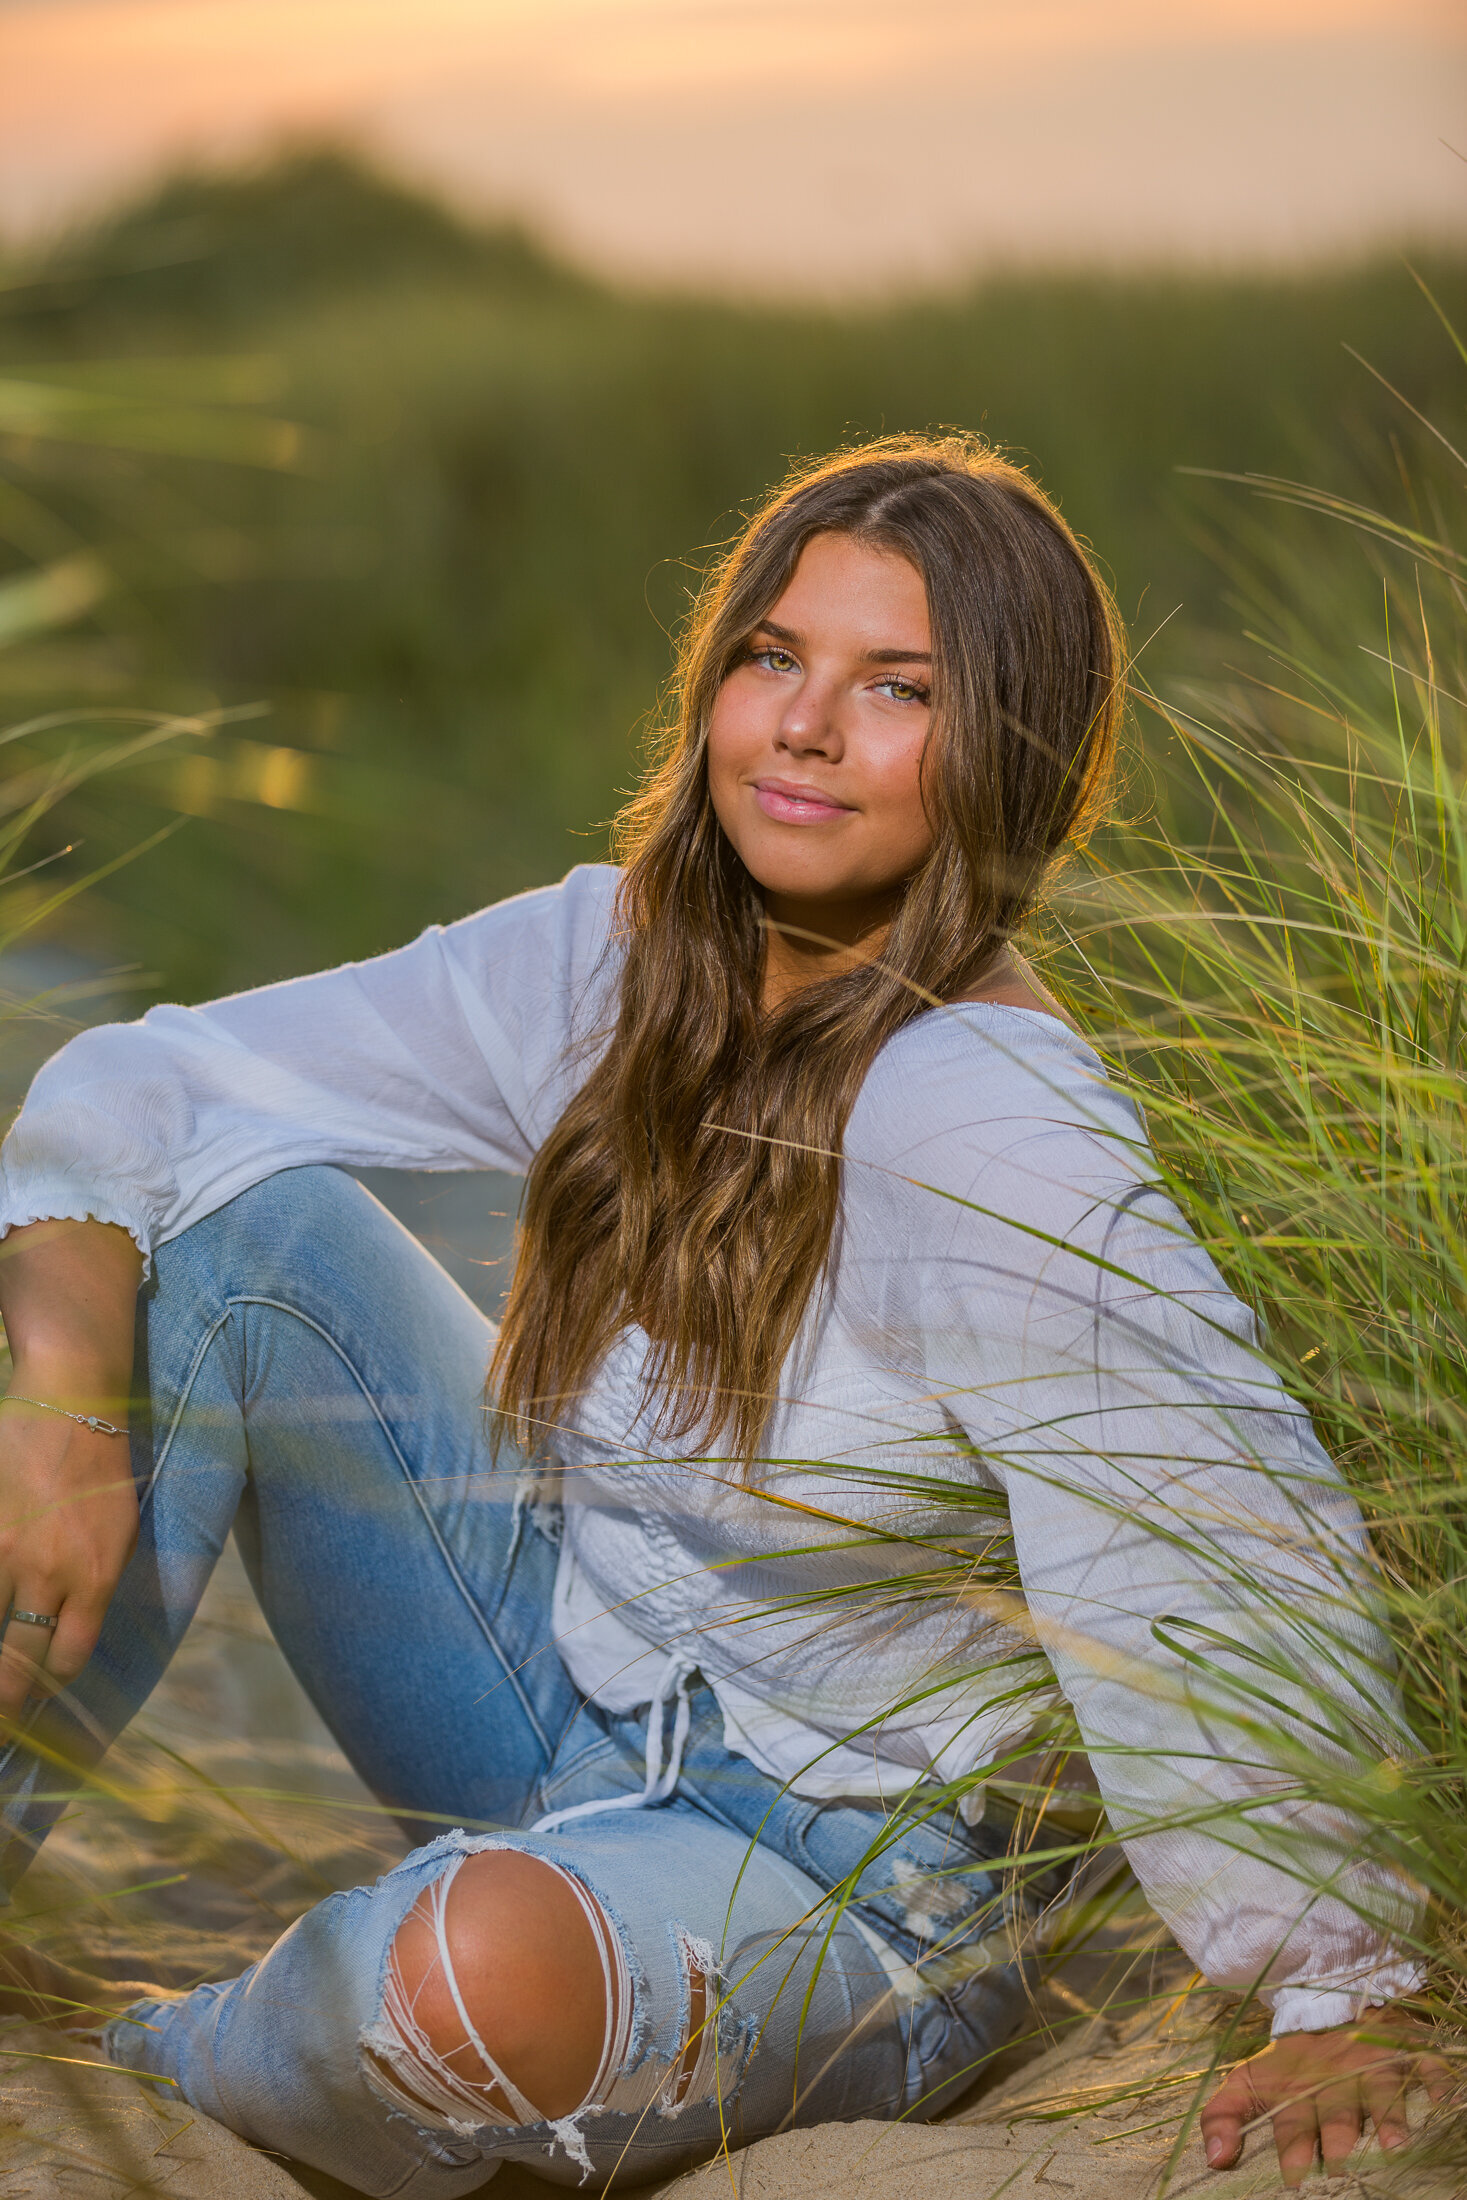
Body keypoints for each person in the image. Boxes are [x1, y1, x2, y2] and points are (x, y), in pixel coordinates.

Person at [0, 438, 1437, 2194]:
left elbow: (1195, 1506)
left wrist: (1338, 1979)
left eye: (896, 689)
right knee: (231, 1243)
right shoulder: (615, 960)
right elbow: (159, 1087)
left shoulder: (993, 1120)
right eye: (775, 657)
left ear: (1014, 752)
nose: (806, 727)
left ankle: (150, 2051)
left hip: (846, 1879)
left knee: (449, 1997)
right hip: (555, 1694)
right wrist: (71, 1417)